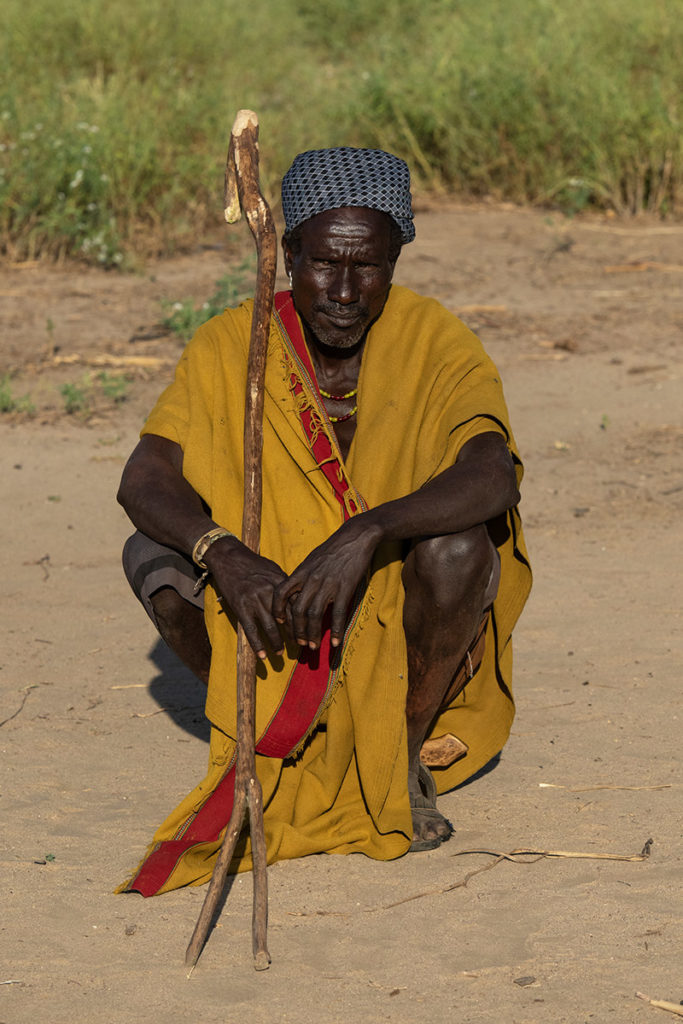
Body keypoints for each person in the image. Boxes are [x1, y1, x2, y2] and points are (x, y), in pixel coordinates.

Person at [116, 147, 531, 897]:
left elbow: (490, 472)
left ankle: (398, 755)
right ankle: (268, 731)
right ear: (288, 255)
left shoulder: (433, 340)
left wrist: (367, 531)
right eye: (321, 265)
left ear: (395, 260)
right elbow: (144, 478)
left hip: (385, 596)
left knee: (456, 547)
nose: (343, 291)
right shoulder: (231, 345)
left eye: (367, 266)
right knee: (154, 554)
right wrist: (224, 553)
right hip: (268, 594)